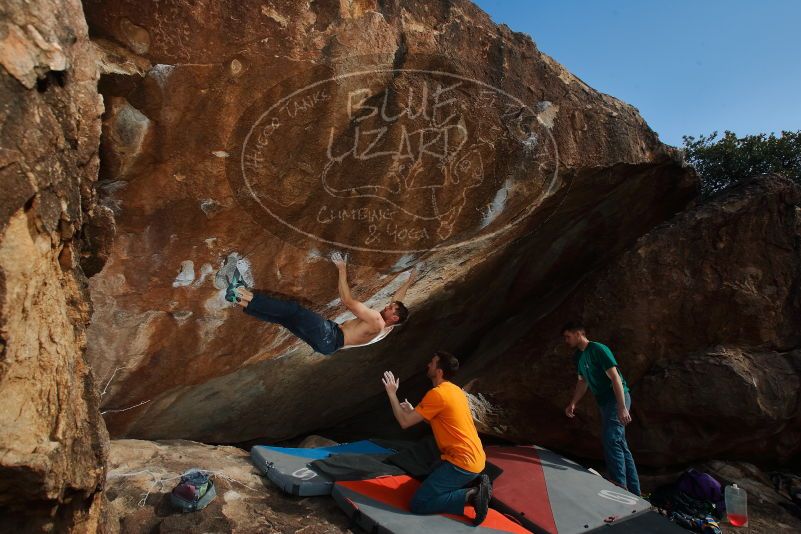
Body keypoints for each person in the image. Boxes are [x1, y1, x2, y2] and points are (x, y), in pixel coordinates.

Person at [381, 351, 492, 525]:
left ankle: (471, 494)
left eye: (432, 363)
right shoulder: (455, 391)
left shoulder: (438, 394)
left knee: (418, 504)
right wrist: (413, 411)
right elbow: (440, 420)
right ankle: (467, 485)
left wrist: (391, 394)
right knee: (430, 473)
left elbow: (404, 422)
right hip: (474, 458)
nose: (428, 365)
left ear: (439, 371)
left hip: (462, 463)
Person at [231, 252, 413, 355]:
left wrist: (342, 269)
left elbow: (348, 302)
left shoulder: (377, 321)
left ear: (394, 317)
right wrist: (409, 280)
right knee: (285, 319)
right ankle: (237, 299)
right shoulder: (386, 330)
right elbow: (398, 299)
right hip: (329, 346)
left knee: (294, 311)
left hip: (330, 336)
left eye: (390, 309)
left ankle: (238, 290)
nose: (386, 306)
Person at [562, 321, 641, 496]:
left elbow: (615, 378)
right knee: (619, 443)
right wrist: (573, 402)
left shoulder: (598, 349)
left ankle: (620, 486)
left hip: (617, 398)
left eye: (568, 337)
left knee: (611, 439)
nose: (566, 341)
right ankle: (635, 492)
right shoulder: (578, 357)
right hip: (604, 403)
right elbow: (583, 382)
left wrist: (622, 407)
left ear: (578, 334)